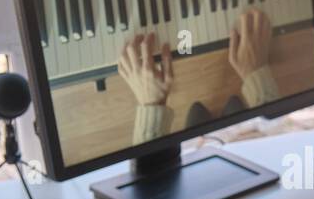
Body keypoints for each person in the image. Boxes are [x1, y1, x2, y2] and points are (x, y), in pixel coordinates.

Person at [115, 9, 280, 145]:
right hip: (244, 144)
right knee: (230, 107)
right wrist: (257, 74)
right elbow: (278, 142)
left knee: (198, 112)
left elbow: (148, 177)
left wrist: (151, 105)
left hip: (200, 149)